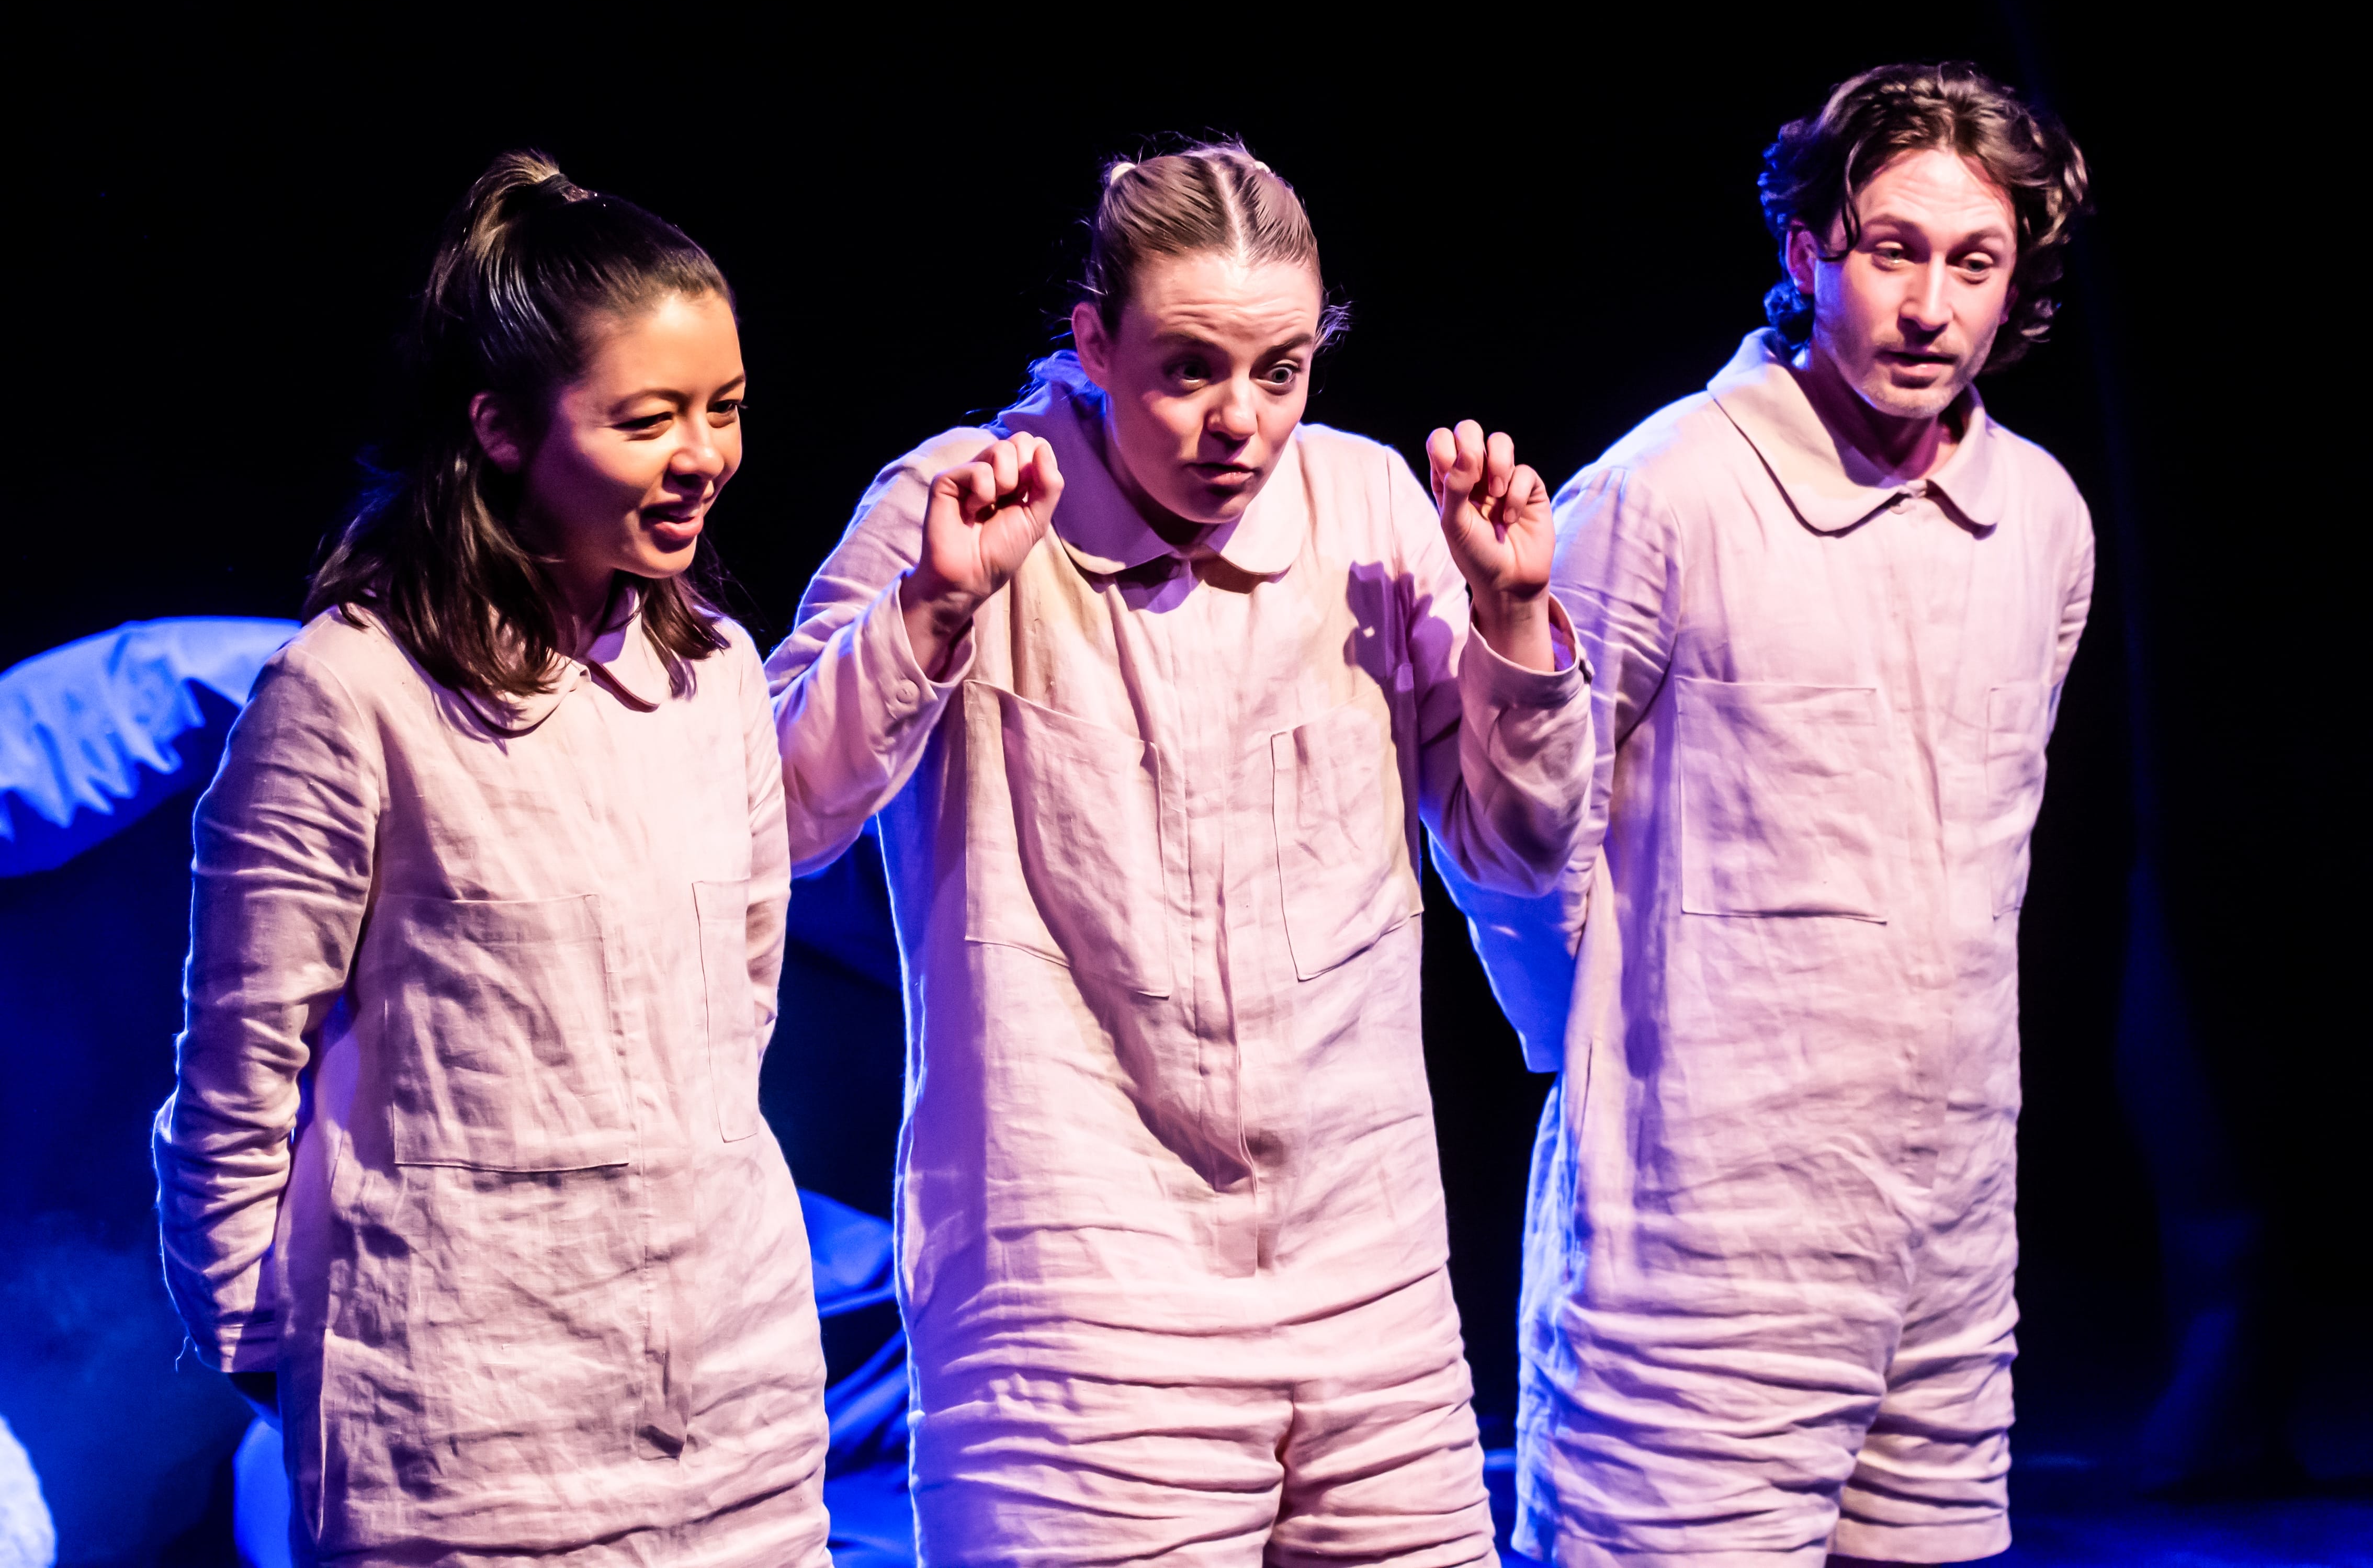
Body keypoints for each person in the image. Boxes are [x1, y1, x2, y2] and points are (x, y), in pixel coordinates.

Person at [770, 142, 1592, 1565]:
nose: (1240, 423)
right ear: (1093, 342)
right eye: (1190, 370)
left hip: (1369, 1287)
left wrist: (1514, 620)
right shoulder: (956, 501)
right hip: (1075, 1306)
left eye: (1282, 371)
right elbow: (778, 810)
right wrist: (932, 614)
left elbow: (1518, 851)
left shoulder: (1369, 508)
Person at [1443, 63, 2095, 1566]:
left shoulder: (2046, 518)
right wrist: (1605, 1067)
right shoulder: (1665, 493)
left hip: (1948, 1246)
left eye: (1974, 262)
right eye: (1891, 250)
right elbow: (1515, 835)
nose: (1928, 305)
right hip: (1697, 1258)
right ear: (1807, 251)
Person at [151, 152, 830, 1565]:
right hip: (462, 1443)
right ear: (503, 430)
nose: (704, 453)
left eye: (724, 407)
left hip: (741, 1422)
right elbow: (238, 1066)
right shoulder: (351, 694)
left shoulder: (716, 679)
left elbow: (741, 1008)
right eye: (649, 418)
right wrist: (267, 1349)